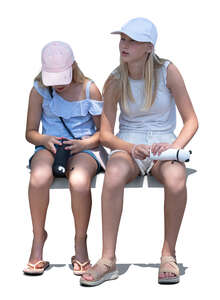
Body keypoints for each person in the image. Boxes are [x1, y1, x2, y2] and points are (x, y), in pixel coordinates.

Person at [80, 18, 198, 286]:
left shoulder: (168, 71)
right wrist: (131, 148)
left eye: (132, 40)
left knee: (177, 179)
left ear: (148, 47)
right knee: (114, 173)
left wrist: (174, 146)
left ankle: (168, 255)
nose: (124, 44)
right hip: (128, 143)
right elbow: (107, 135)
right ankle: (108, 260)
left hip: (164, 143)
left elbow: (191, 120)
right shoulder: (114, 78)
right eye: (123, 39)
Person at [23, 41, 107, 275]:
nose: (57, 85)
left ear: (72, 68)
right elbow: (30, 132)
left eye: (62, 78)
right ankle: (38, 239)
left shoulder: (89, 89)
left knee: (79, 181)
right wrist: (44, 140)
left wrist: (84, 144)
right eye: (53, 79)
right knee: (38, 178)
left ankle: (80, 242)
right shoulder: (39, 89)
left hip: (85, 146)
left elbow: (105, 133)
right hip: (50, 146)